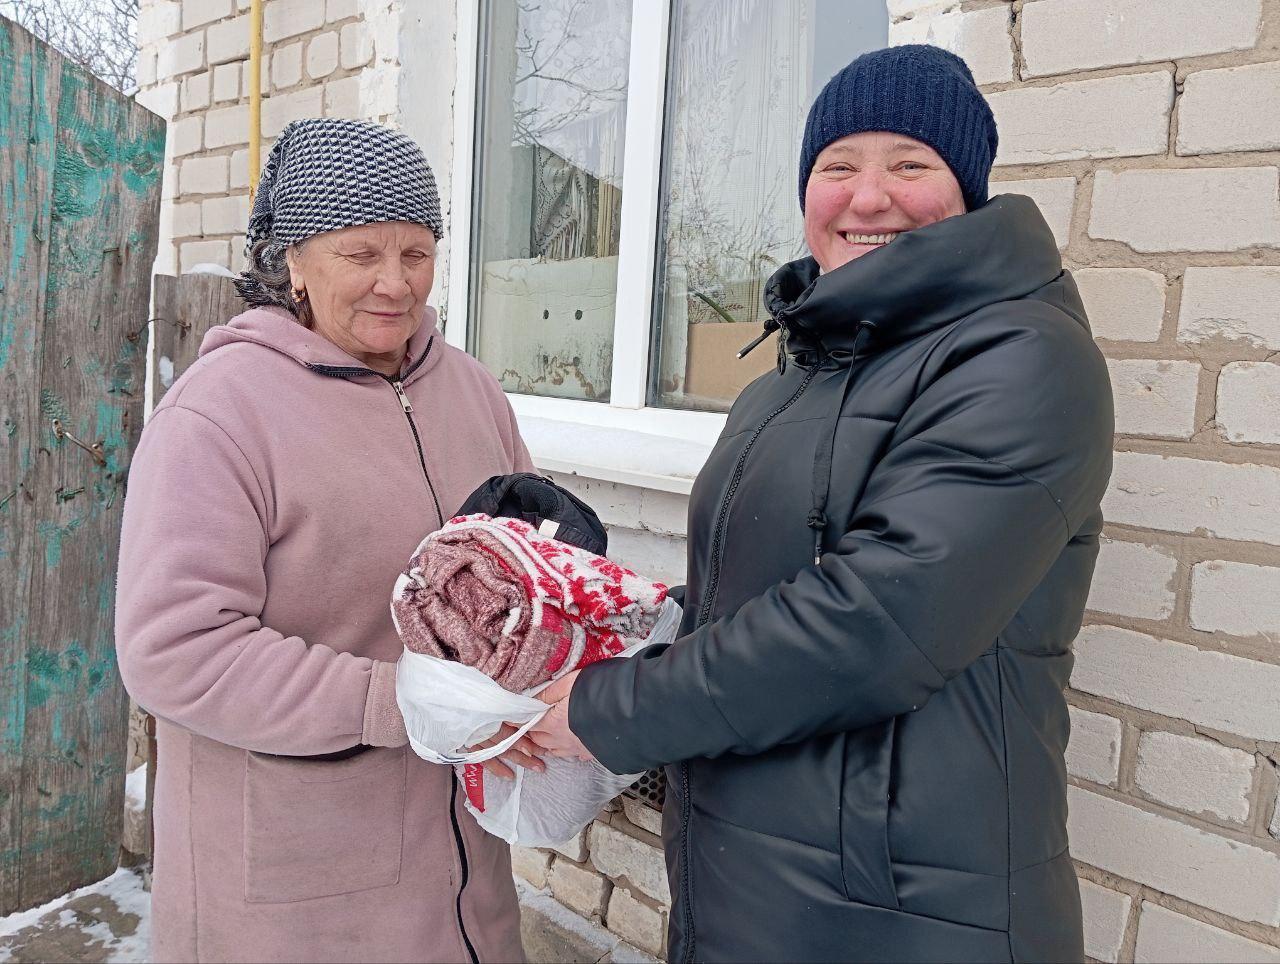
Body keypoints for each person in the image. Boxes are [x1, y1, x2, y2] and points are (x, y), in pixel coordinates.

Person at [529, 45, 1114, 963]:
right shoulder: (799, 370)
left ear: (966, 187)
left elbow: (875, 623)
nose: (868, 196)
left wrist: (612, 708)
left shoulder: (1020, 358)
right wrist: (615, 626)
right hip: (749, 887)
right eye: (837, 166)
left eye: (910, 164)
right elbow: (755, 592)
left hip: (902, 910)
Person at [115, 118, 536, 963]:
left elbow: (527, 553)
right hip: (294, 883)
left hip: (459, 869)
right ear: (294, 262)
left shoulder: (468, 389)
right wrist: (395, 701)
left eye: (416, 253)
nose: (395, 283)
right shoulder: (220, 412)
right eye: (361, 253)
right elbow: (175, 650)